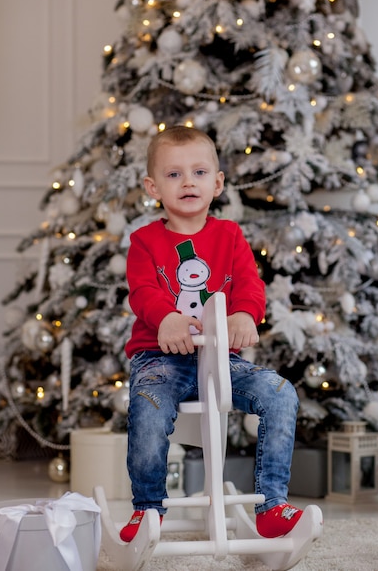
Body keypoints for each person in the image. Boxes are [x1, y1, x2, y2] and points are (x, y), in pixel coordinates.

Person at [120, 125, 303, 543]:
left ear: (217, 183)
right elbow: (144, 292)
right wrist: (167, 318)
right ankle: (147, 508)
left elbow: (250, 285)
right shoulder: (145, 241)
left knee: (280, 393)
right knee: (147, 407)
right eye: (174, 174)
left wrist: (243, 314)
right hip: (160, 358)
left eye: (200, 172)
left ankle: (272, 504)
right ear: (153, 187)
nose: (188, 182)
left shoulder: (230, 236)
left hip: (221, 357)